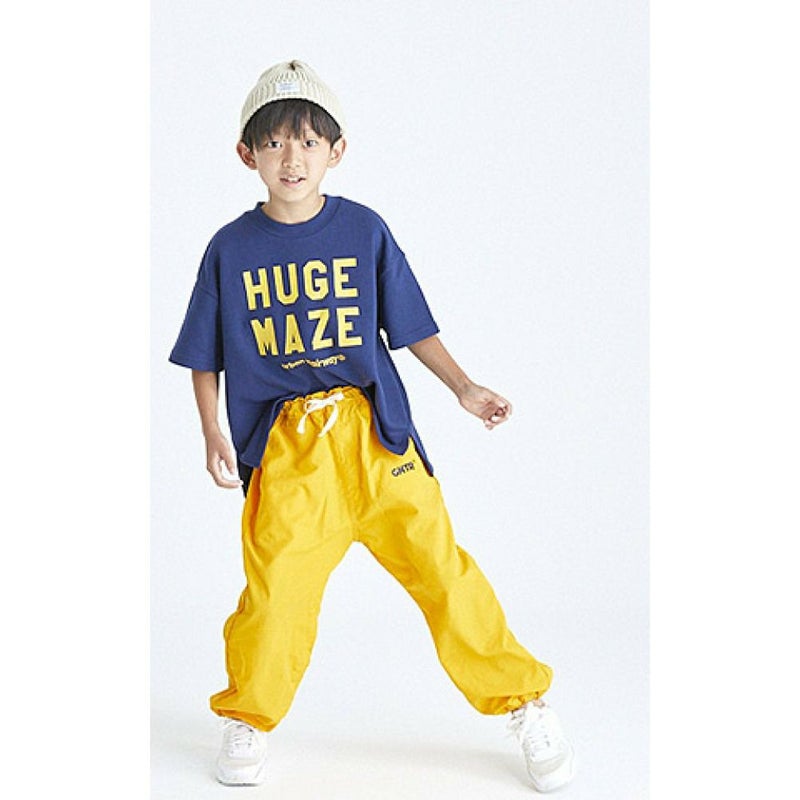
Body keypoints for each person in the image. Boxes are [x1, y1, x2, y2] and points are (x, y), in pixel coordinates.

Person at [169, 59, 575, 793]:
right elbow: (206, 354)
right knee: (276, 594)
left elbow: (409, 325)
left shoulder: (363, 230)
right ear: (247, 154)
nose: (292, 158)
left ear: (337, 150)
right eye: (274, 143)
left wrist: (464, 387)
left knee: (444, 573)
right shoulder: (231, 248)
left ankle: (524, 703)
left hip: (376, 437)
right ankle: (249, 717)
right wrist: (212, 432)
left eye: (308, 141)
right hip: (290, 452)